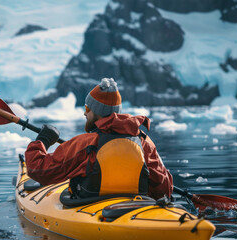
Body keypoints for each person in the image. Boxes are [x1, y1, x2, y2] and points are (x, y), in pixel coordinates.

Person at [24, 78, 173, 200]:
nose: (84, 113)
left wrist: (43, 140)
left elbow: (38, 169)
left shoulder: (85, 143)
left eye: (87, 109)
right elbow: (165, 188)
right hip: (136, 206)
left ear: (97, 112)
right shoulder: (144, 142)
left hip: (89, 206)